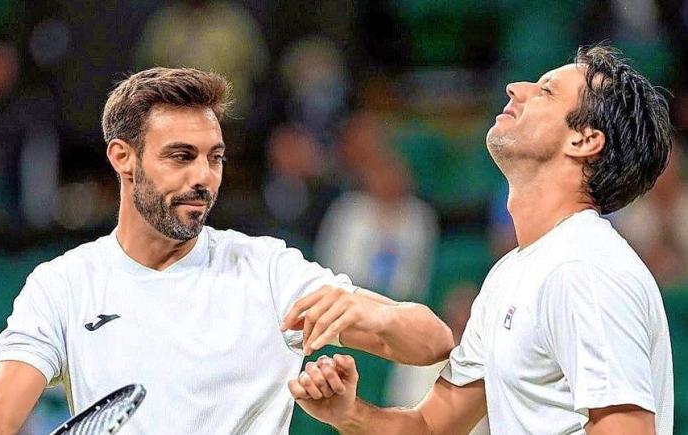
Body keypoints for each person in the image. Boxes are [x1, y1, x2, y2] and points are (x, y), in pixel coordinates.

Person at [0, 67, 454, 435]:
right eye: (180, 157)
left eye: (214, 158)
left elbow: (431, 342)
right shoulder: (63, 285)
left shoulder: (269, 271)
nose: (203, 179)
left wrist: (369, 313)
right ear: (123, 159)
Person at [288, 44, 674, 435]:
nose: (514, 88)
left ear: (584, 140)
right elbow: (430, 426)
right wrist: (348, 413)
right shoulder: (512, 273)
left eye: (546, 91)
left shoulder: (586, 268)